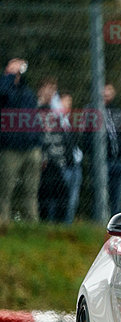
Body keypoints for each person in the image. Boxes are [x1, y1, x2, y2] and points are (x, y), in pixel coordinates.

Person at [0, 58, 43, 224]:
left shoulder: (27, 92)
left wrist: (39, 143)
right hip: (11, 149)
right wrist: (9, 75)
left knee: (31, 190)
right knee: (6, 188)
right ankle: (3, 222)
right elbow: (3, 93)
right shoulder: (4, 88)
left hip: (31, 148)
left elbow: (35, 118)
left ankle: (32, 223)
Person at [37, 77, 68, 222]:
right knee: (42, 195)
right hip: (44, 161)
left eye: (54, 90)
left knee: (62, 194)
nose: (51, 93)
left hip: (57, 160)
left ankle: (59, 227)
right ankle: (42, 224)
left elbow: (60, 135)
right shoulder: (34, 110)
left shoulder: (53, 112)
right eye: (49, 89)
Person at [102, 83, 121, 216]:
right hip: (103, 162)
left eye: (109, 90)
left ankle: (115, 220)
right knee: (102, 195)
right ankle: (101, 220)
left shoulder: (118, 112)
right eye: (104, 90)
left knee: (117, 196)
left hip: (119, 160)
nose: (106, 93)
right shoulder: (93, 111)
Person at [59, 92, 84, 223]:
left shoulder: (72, 121)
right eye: (65, 102)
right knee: (62, 197)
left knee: (73, 199)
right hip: (63, 165)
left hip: (75, 164)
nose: (68, 105)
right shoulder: (56, 121)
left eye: (69, 102)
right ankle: (58, 223)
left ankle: (68, 223)